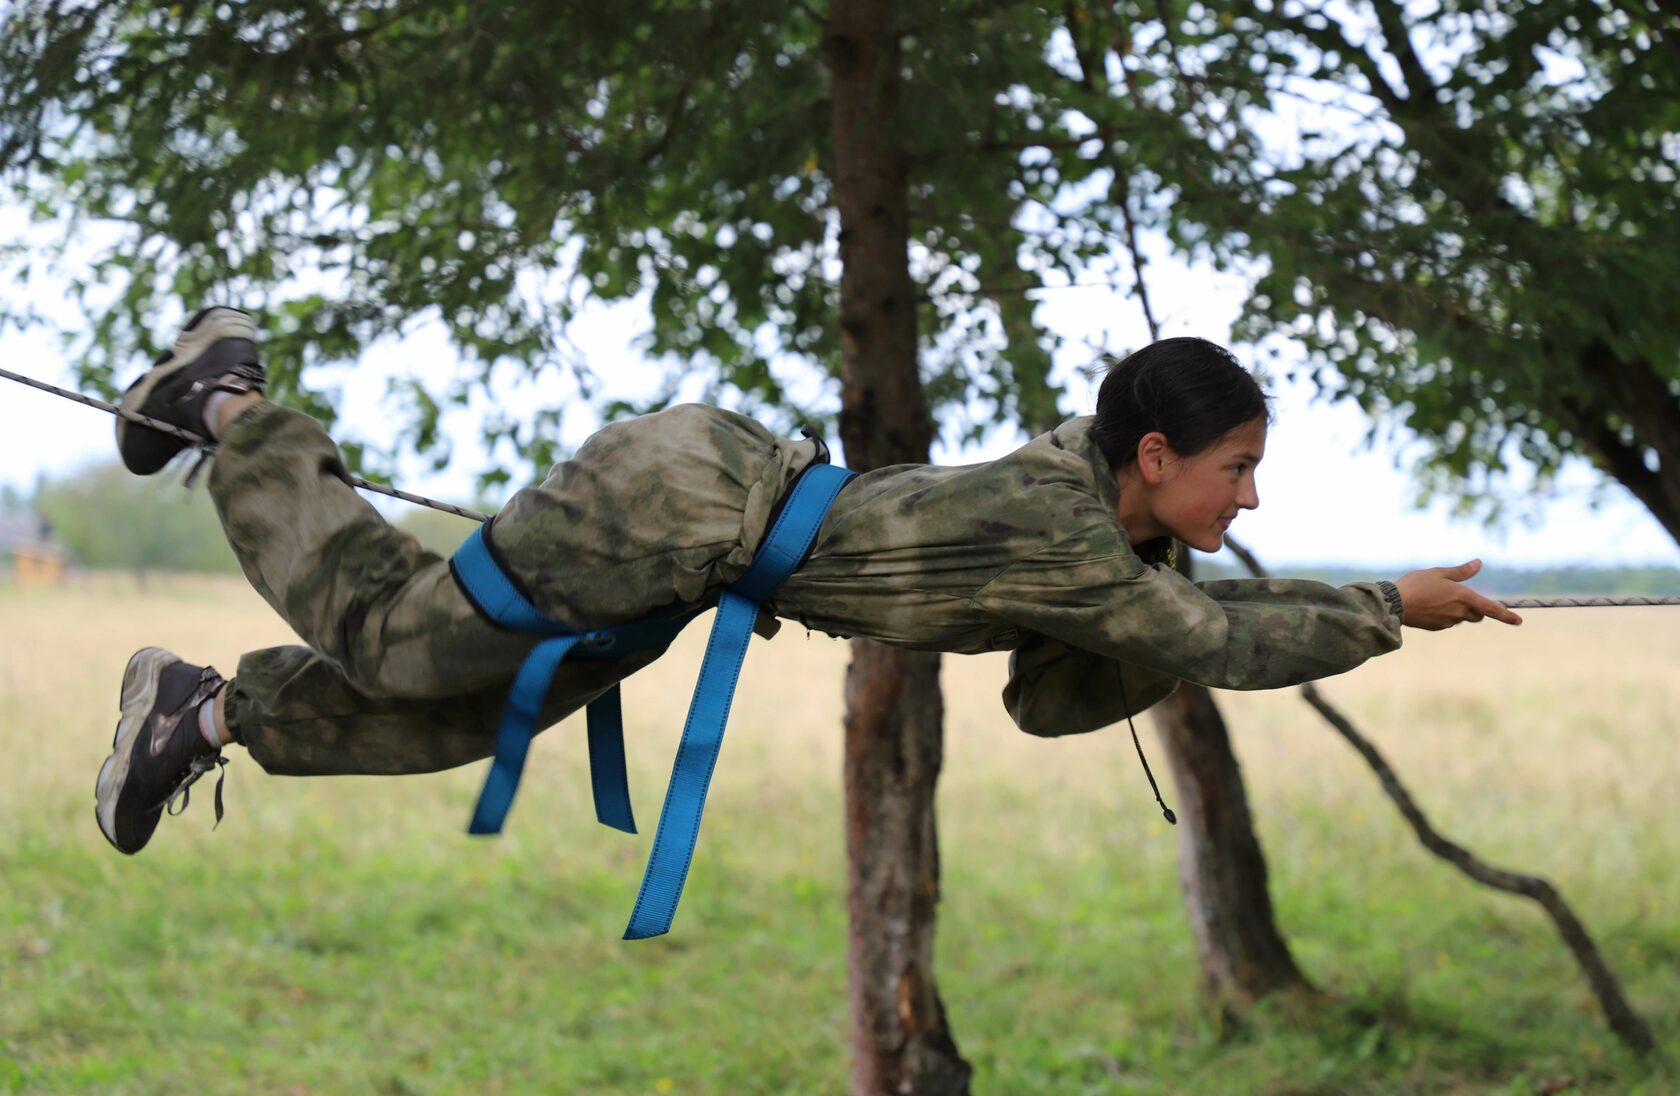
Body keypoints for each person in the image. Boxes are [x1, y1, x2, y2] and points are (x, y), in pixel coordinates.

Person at [94, 308, 1521, 856]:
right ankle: (228, 405)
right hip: (687, 505)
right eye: (1236, 468)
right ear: (1154, 455)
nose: (1251, 497)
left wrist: (1291, 606)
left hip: (706, 542)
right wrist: (1392, 607)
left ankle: (203, 716)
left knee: (483, 710)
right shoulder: (1065, 527)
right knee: (399, 642)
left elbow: (1055, 692)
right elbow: (1208, 641)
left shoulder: (1094, 523)